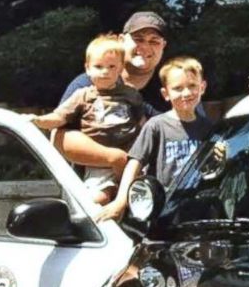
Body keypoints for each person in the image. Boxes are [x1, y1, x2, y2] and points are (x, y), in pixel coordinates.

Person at [28, 34, 144, 203]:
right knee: (97, 199)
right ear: (88, 68)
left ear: (120, 69)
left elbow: (141, 123)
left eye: (112, 67)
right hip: (100, 163)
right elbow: (59, 117)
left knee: (141, 199)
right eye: (99, 66)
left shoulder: (131, 93)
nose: (105, 71)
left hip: (131, 159)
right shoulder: (82, 95)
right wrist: (38, 120)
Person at [98, 57, 213, 221]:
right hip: (164, 210)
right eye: (178, 88)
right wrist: (120, 201)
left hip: (198, 210)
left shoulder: (208, 128)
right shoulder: (157, 126)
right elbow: (134, 163)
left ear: (202, 87)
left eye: (192, 86)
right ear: (165, 94)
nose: (186, 93)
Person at [56, 11, 168, 169]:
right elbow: (59, 137)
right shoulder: (88, 83)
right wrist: (115, 158)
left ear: (163, 46)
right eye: (138, 39)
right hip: (95, 183)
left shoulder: (173, 87)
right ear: (121, 40)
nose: (145, 47)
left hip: (157, 188)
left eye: (154, 41)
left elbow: (195, 134)